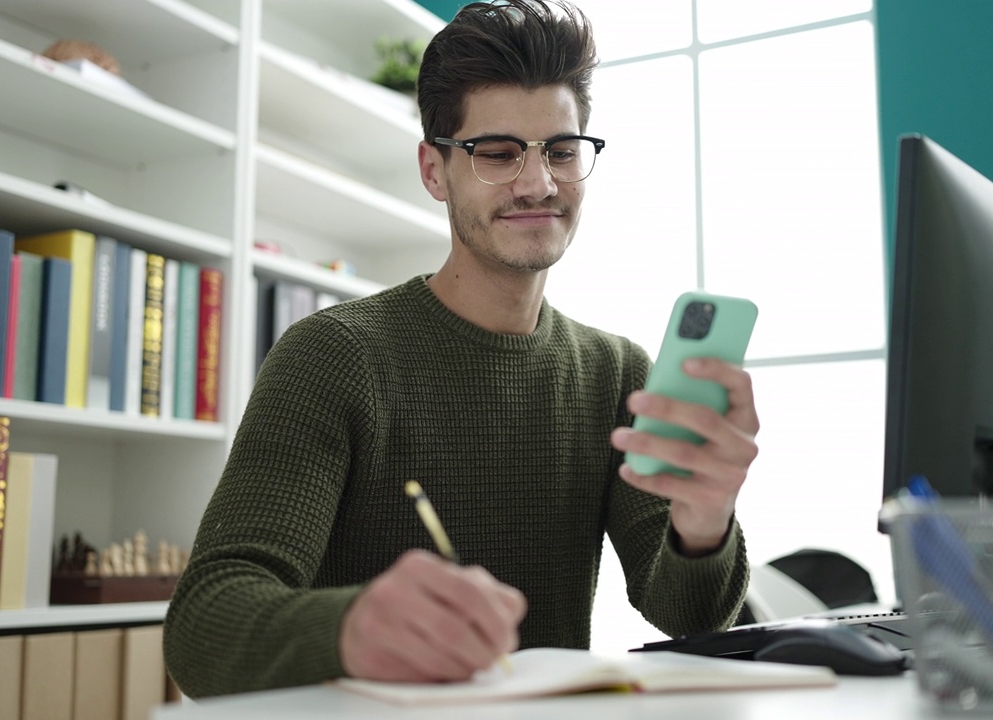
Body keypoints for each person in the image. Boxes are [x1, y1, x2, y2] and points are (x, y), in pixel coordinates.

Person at [163, 0, 759, 698]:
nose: (538, 184)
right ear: (434, 170)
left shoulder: (618, 373)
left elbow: (687, 619)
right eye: (498, 153)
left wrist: (704, 523)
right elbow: (202, 627)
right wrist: (349, 625)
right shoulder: (333, 356)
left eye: (562, 152)